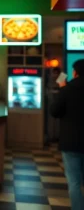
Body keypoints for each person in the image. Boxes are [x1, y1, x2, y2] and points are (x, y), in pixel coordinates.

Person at [50, 59, 84, 210]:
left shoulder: (67, 89)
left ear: (75, 73)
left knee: (74, 182)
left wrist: (62, 89)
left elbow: (55, 111)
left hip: (71, 142)